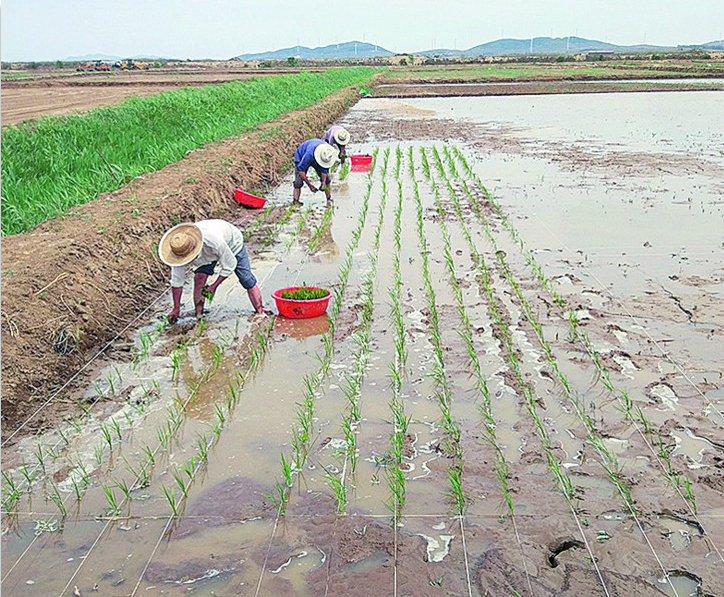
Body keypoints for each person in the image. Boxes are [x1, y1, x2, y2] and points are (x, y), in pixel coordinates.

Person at [159, 219, 263, 321]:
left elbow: (230, 265)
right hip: (207, 251)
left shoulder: (214, 242)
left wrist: (214, 286)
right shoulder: (178, 251)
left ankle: (260, 312)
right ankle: (199, 316)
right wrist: (176, 308)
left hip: (231, 242)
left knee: (246, 279)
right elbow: (177, 282)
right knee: (199, 278)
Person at [293, 139, 336, 205]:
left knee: (327, 179)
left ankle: (329, 199)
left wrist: (323, 182)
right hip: (301, 155)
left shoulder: (327, 153)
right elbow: (301, 170)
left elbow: (324, 169)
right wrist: (310, 185)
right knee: (298, 182)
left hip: (318, 155)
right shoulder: (309, 155)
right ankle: (296, 201)